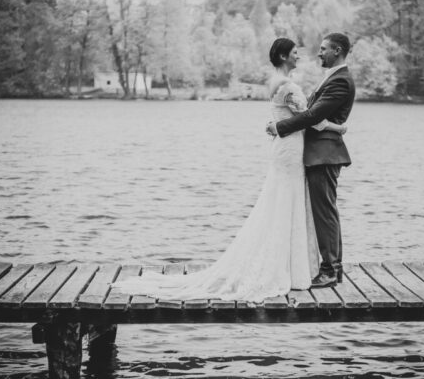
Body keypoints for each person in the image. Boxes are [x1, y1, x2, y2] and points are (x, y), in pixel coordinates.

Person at [110, 38, 347, 302]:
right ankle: (291, 266)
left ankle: (291, 264)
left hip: (286, 148)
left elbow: (300, 116)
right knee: (286, 203)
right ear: (283, 56)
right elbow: (311, 119)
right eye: (294, 52)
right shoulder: (287, 86)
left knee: (282, 203)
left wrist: (280, 126)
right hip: (290, 150)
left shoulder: (278, 82)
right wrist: (338, 127)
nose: (299, 56)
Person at [266, 32, 355, 288]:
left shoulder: (340, 81)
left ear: (337, 51)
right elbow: (312, 114)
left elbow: (313, 116)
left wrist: (279, 127)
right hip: (315, 152)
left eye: (324, 49)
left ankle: (330, 270)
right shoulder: (331, 77)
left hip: (324, 153)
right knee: (324, 211)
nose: (319, 52)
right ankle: (332, 268)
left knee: (325, 213)